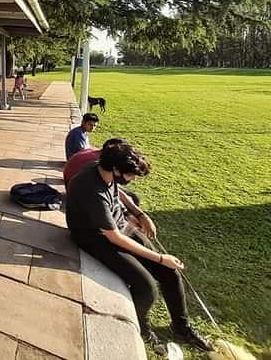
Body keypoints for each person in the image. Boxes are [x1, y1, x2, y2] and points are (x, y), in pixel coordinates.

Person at [65, 142, 212, 351]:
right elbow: (114, 237)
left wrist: (140, 214)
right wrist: (160, 258)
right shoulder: (92, 189)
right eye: (131, 175)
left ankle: (181, 327)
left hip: (118, 227)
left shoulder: (102, 169)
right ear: (116, 170)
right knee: (147, 288)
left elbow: (118, 191)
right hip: (96, 238)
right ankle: (143, 328)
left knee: (170, 272)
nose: (133, 179)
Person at [63, 138, 142, 207]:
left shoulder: (93, 152)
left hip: (72, 186)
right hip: (78, 194)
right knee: (133, 198)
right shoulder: (102, 164)